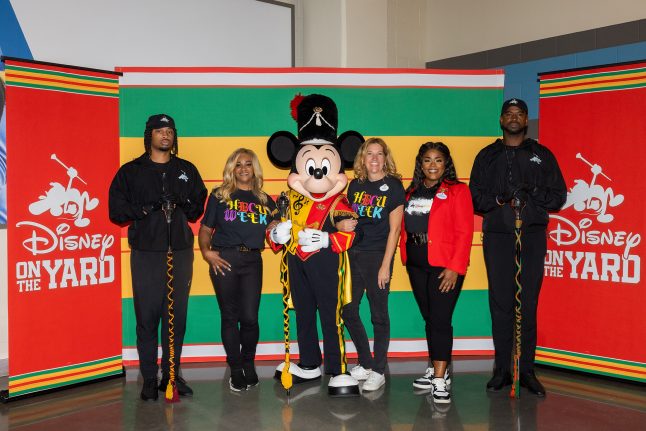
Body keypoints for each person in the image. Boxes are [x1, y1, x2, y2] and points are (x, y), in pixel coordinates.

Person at [469, 98, 566, 397]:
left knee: (528, 304)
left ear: (526, 121)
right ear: (501, 120)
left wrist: (533, 191)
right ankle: (501, 370)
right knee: (501, 304)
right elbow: (475, 198)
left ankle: (527, 371)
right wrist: (501, 198)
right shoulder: (487, 155)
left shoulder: (542, 154)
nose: (513, 118)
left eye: (519, 114)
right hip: (498, 237)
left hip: (533, 237)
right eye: (508, 114)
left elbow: (558, 197)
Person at [109, 114, 207, 401]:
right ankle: (150, 378)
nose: (165, 135)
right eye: (160, 131)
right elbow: (116, 212)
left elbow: (196, 208)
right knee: (147, 318)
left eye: (170, 131)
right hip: (146, 255)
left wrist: (181, 201)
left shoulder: (186, 169)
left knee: (176, 318)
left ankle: (172, 376)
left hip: (179, 253)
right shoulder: (131, 171)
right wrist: (145, 208)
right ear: (149, 135)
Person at [398, 142, 474, 404]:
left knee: (440, 320)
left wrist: (455, 267)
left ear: (446, 164)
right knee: (430, 318)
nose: (432, 165)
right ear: (420, 164)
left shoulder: (458, 191)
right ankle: (435, 369)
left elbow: (465, 232)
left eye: (438, 160)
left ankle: (441, 380)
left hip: (445, 266)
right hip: (416, 264)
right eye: (427, 160)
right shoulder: (411, 192)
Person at [198, 148, 278, 392]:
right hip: (226, 259)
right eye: (238, 164)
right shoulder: (220, 196)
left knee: (250, 318)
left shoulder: (265, 200)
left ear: (254, 168)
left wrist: (277, 225)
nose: (243, 168)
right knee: (230, 317)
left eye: (248, 164)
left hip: (253, 260)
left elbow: (277, 232)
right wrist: (206, 252)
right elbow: (204, 229)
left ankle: (248, 362)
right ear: (232, 169)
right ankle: (235, 368)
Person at [337, 138, 405, 392]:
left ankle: (379, 370)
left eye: (379, 154)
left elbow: (395, 230)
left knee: (379, 315)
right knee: (348, 309)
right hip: (353, 255)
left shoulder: (394, 187)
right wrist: (342, 224)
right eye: (369, 154)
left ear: (385, 158)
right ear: (362, 159)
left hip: (379, 256)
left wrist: (385, 265)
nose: (374, 159)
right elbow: (346, 218)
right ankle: (365, 362)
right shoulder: (356, 186)